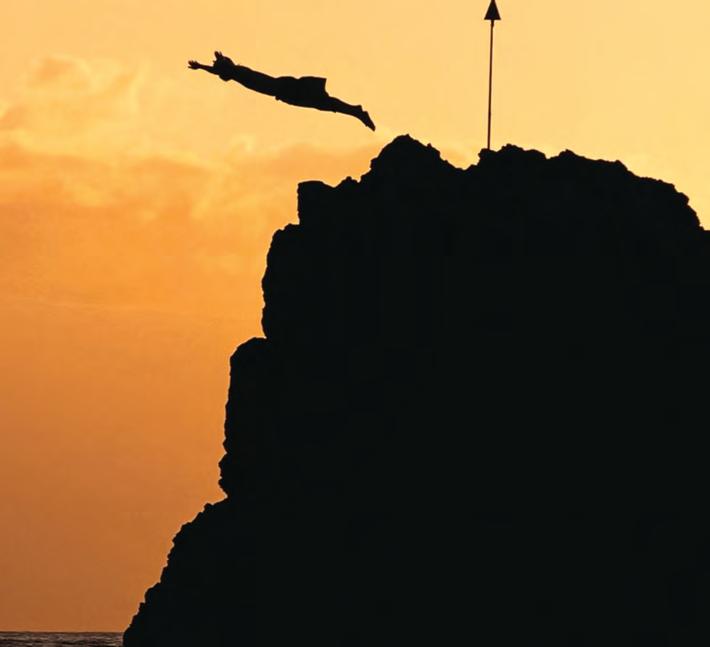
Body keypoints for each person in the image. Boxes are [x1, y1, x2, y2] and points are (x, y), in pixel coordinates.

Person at [188, 51, 376, 131]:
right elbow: (220, 70)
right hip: (284, 90)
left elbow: (219, 71)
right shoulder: (237, 72)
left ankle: (356, 112)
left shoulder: (237, 72)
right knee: (323, 103)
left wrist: (202, 67)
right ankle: (355, 111)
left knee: (323, 103)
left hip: (285, 89)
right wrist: (206, 66)